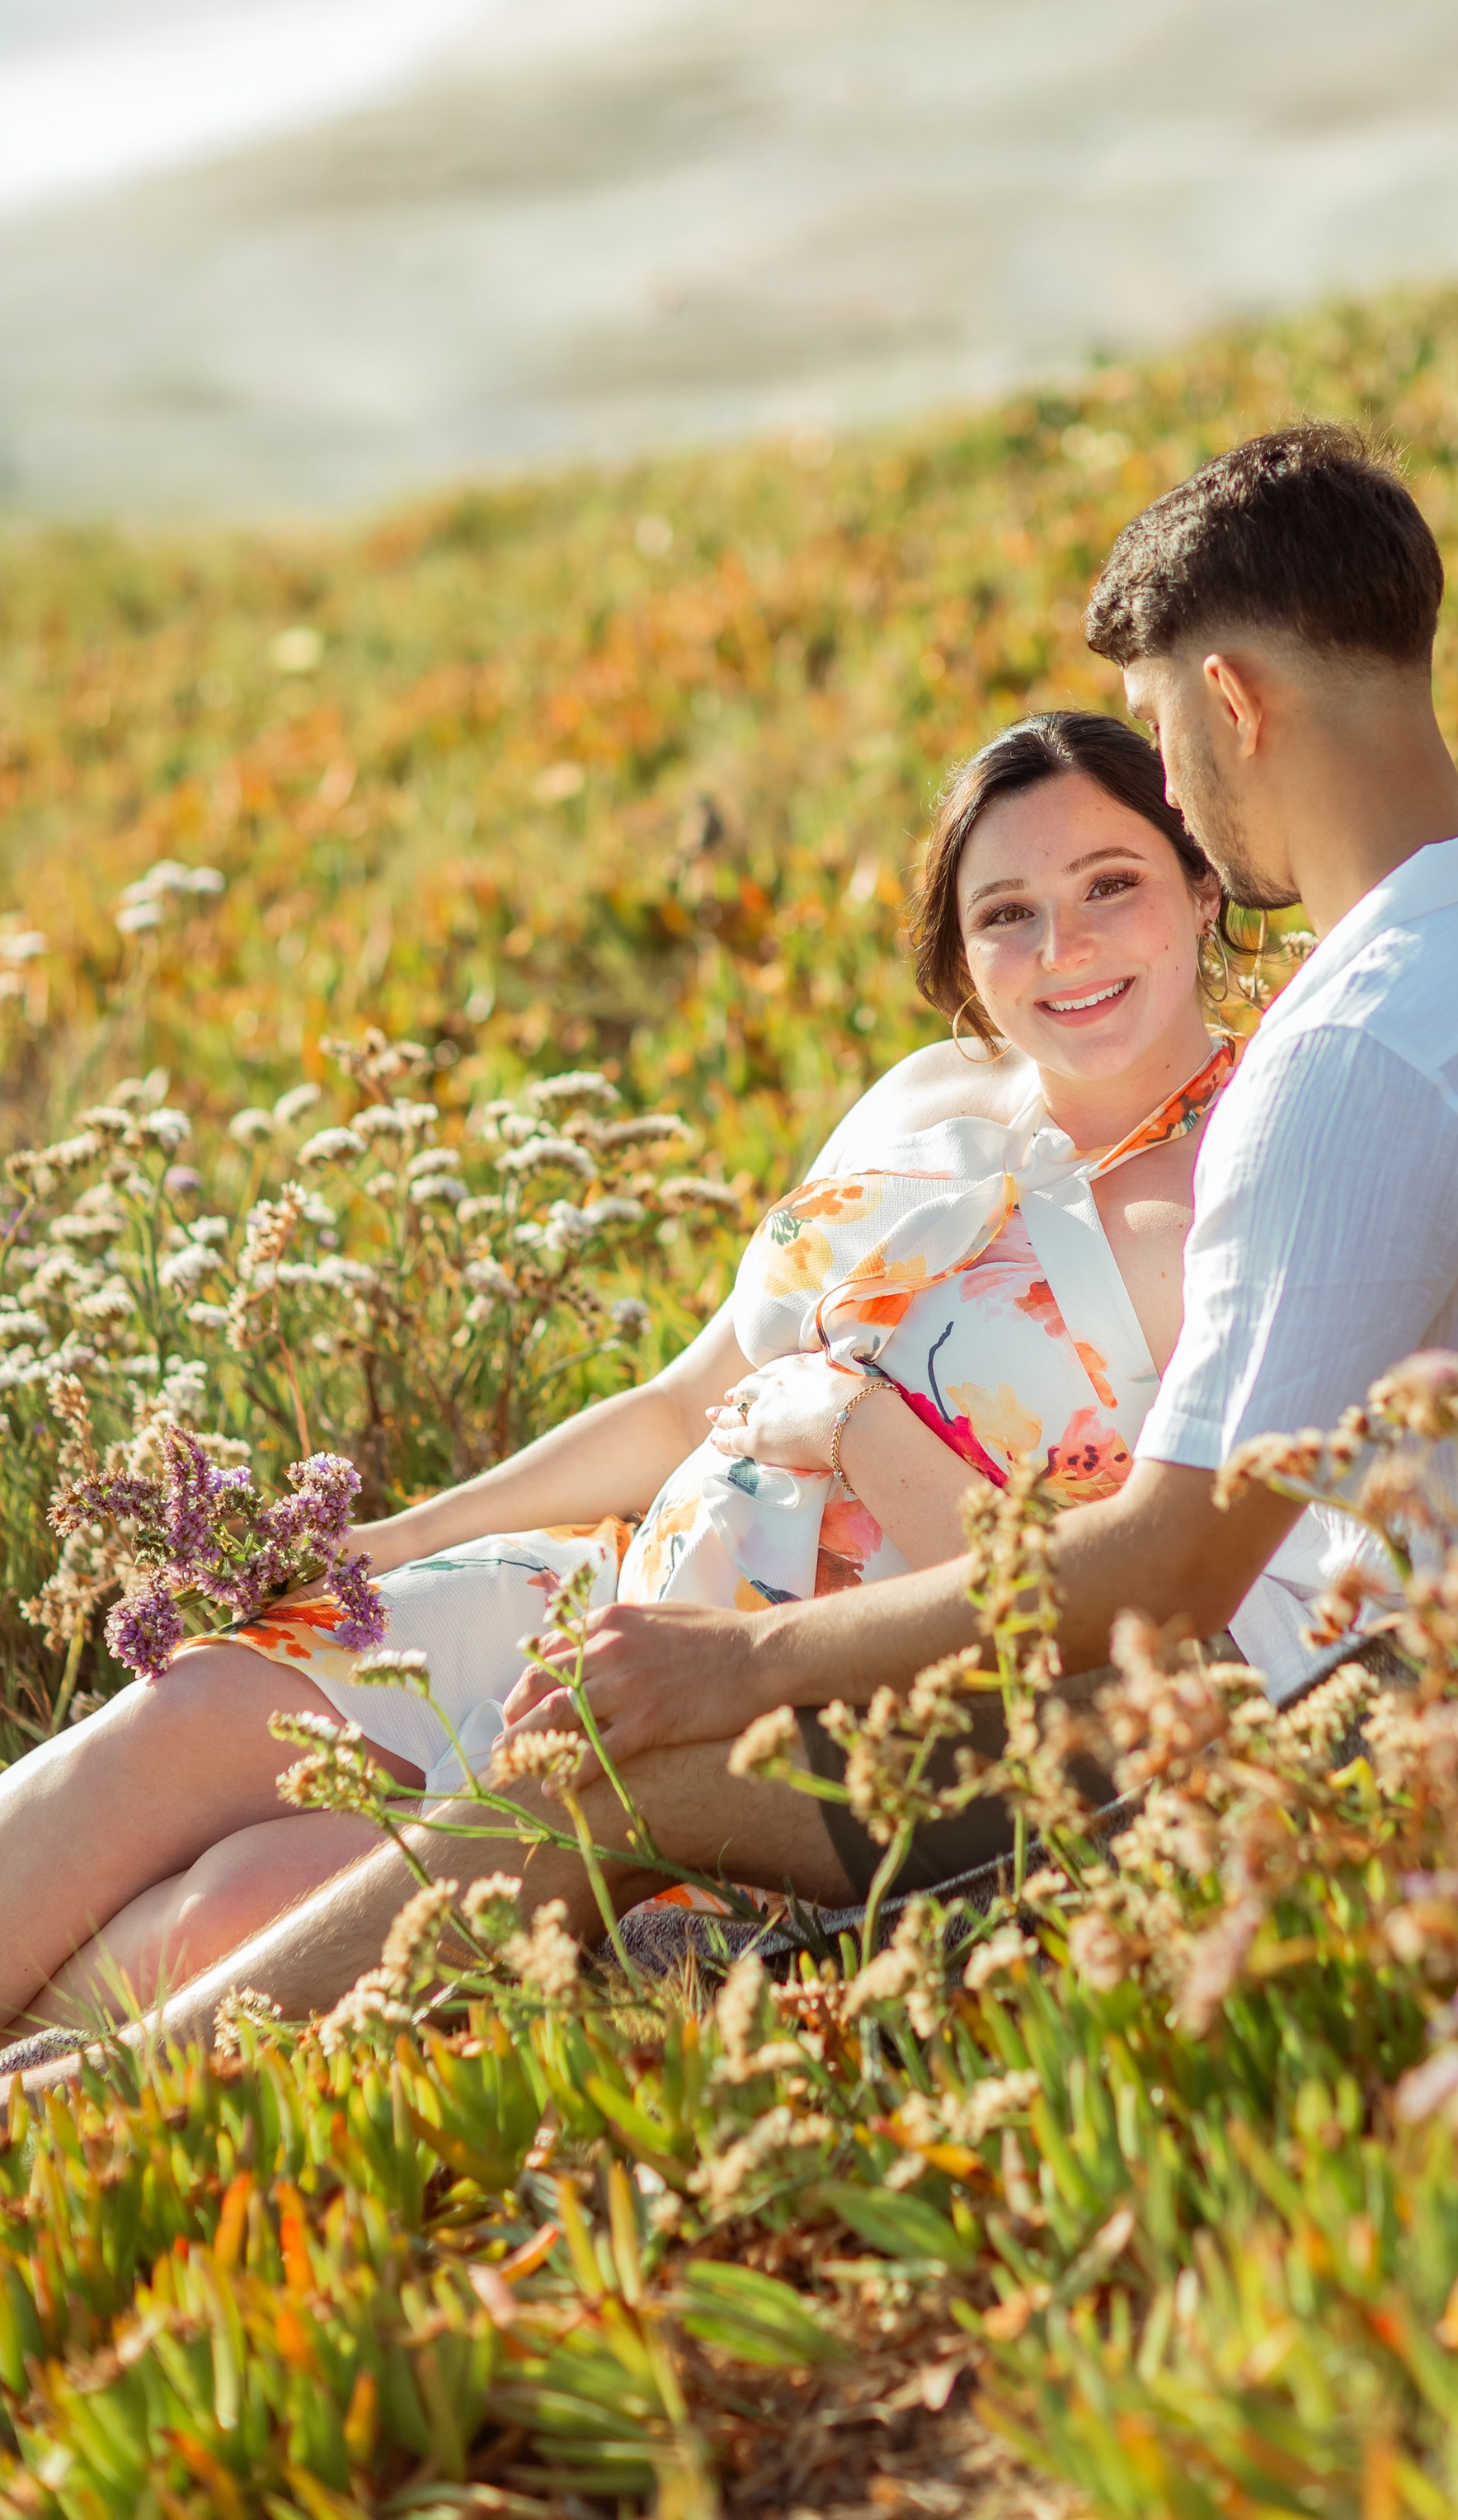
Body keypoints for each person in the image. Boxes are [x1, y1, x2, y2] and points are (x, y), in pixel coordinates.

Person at [11, 422, 1458, 2066]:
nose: (1183, 813)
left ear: (1228, 703)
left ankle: (92, 2103)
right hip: (1409, 1696)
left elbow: (1164, 1571)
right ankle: (96, 2083)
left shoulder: (1347, 1051)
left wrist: (739, 1642)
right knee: (252, 1729)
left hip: (1300, 1743)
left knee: (486, 1819)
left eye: (1157, 759)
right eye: (1007, 912)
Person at [0, 709, 1346, 2041]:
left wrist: (858, 1425)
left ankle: (63, 2121)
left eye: (1112, 885)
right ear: (961, 950)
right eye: (1008, 913)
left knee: (244, 1907)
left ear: (1202, 883)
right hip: (605, 1588)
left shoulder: (1246, 1183)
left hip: (791, 1721)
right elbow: (683, 1397)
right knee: (190, 1712)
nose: (1066, 948)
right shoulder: (932, 1098)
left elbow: (1135, 1610)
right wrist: (390, 1538)